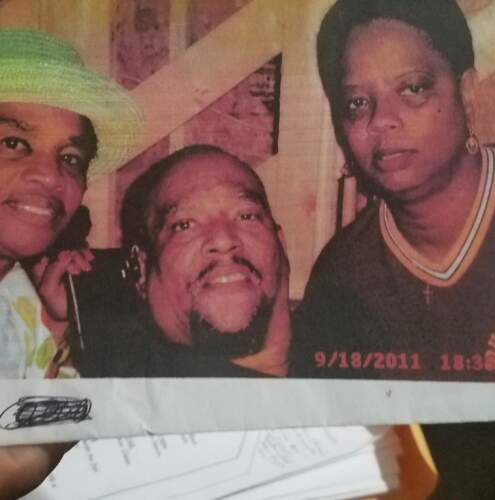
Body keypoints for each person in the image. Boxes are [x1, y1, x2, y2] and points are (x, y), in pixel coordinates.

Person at [291, 0, 495, 498]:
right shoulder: (341, 282)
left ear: (467, 93)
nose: (381, 120)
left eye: (413, 88)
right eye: (357, 103)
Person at [0, 28, 141, 380]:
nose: (52, 176)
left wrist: (53, 325)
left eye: (70, 157)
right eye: (13, 143)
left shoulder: (19, 302)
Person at [79, 145, 291, 378]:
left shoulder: (321, 350)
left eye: (246, 216)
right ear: (141, 270)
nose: (222, 240)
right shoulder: (113, 387)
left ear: (281, 243)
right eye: (184, 225)